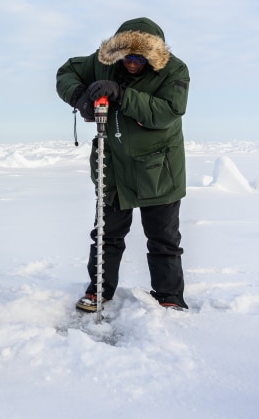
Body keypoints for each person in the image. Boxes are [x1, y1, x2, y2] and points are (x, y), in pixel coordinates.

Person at [56, 17, 190, 312]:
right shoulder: (102, 63)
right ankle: (99, 290)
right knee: (106, 234)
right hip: (112, 166)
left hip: (158, 169)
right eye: (126, 57)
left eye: (138, 58)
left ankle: (170, 296)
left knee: (163, 238)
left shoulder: (175, 70)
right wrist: (80, 98)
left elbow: (169, 111)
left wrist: (123, 94)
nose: (131, 64)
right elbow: (66, 72)